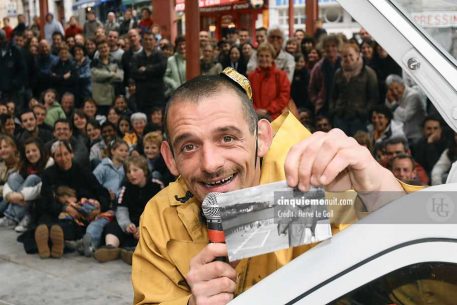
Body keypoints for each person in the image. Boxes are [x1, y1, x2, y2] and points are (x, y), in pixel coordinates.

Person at [131, 70, 414, 304]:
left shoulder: (314, 189)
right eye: (189, 146)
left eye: (227, 138)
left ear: (262, 138)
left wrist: (381, 194)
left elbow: (421, 287)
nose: (211, 163)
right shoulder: (161, 216)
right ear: (170, 158)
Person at [35, 140, 110, 258]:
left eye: (66, 154)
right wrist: (64, 208)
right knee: (45, 221)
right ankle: (47, 241)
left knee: (70, 226)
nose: (63, 158)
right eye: (59, 155)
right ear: (53, 157)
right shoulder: (48, 174)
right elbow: (45, 200)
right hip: (57, 210)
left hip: (81, 213)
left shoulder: (83, 171)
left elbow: (101, 192)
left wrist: (99, 207)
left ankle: (55, 242)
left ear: (71, 154)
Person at [94, 155, 162, 264]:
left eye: (135, 170)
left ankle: (138, 251)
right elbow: (121, 210)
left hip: (149, 224)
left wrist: (144, 227)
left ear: (144, 171)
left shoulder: (156, 185)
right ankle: (111, 248)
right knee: (112, 226)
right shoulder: (125, 187)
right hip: (131, 224)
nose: (131, 174)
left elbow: (160, 212)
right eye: (128, 172)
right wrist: (127, 225)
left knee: (157, 232)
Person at [0, 138, 54, 232]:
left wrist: (21, 196)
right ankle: (12, 216)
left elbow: (42, 187)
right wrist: (10, 196)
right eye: (28, 152)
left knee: (32, 178)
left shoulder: (49, 162)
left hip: (39, 197)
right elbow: (8, 184)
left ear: (40, 150)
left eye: (34, 150)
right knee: (13, 177)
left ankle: (12, 218)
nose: (31, 154)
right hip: (23, 199)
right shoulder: (24, 164)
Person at [330, 42, 379, 136]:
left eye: (350, 55)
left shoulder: (369, 73)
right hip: (340, 117)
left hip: (359, 119)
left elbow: (374, 98)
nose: (348, 58)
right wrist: (333, 111)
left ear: (357, 55)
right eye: (344, 56)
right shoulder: (338, 73)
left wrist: (364, 112)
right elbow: (333, 95)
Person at [248, 43, 290, 120]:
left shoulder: (281, 75)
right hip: (255, 116)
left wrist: (268, 110)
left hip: (275, 118)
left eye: (267, 56)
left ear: (272, 58)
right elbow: (247, 96)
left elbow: (284, 96)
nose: (264, 59)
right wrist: (255, 110)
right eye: (261, 56)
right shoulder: (251, 76)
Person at [131, 31, 167, 114]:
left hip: (157, 95)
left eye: (150, 39)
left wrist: (146, 69)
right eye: (146, 39)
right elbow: (134, 73)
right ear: (142, 41)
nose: (148, 42)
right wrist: (153, 72)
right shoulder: (136, 57)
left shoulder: (161, 55)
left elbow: (162, 69)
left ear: (155, 41)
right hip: (142, 96)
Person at [384, 74, 426, 144]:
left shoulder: (413, 96)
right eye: (391, 89)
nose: (395, 92)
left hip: (416, 136)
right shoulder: (394, 95)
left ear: (402, 84)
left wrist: (394, 105)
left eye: (397, 88)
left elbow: (405, 117)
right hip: (401, 134)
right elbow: (388, 110)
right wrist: (389, 100)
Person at [91, 40, 123, 113]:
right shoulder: (94, 62)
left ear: (109, 48)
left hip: (113, 99)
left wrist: (103, 77)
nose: (103, 49)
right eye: (101, 48)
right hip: (99, 101)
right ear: (98, 50)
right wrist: (112, 74)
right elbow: (95, 76)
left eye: (105, 47)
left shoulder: (116, 61)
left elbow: (120, 77)